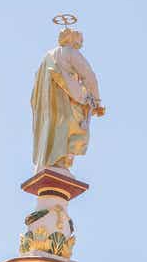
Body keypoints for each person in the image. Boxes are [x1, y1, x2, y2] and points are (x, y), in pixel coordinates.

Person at [30, 28, 104, 172]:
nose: (80, 45)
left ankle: (48, 161)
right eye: (79, 40)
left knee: (53, 129)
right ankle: (60, 162)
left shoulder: (47, 57)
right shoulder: (70, 52)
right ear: (72, 39)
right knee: (76, 129)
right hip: (66, 101)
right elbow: (89, 76)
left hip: (47, 105)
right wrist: (96, 101)